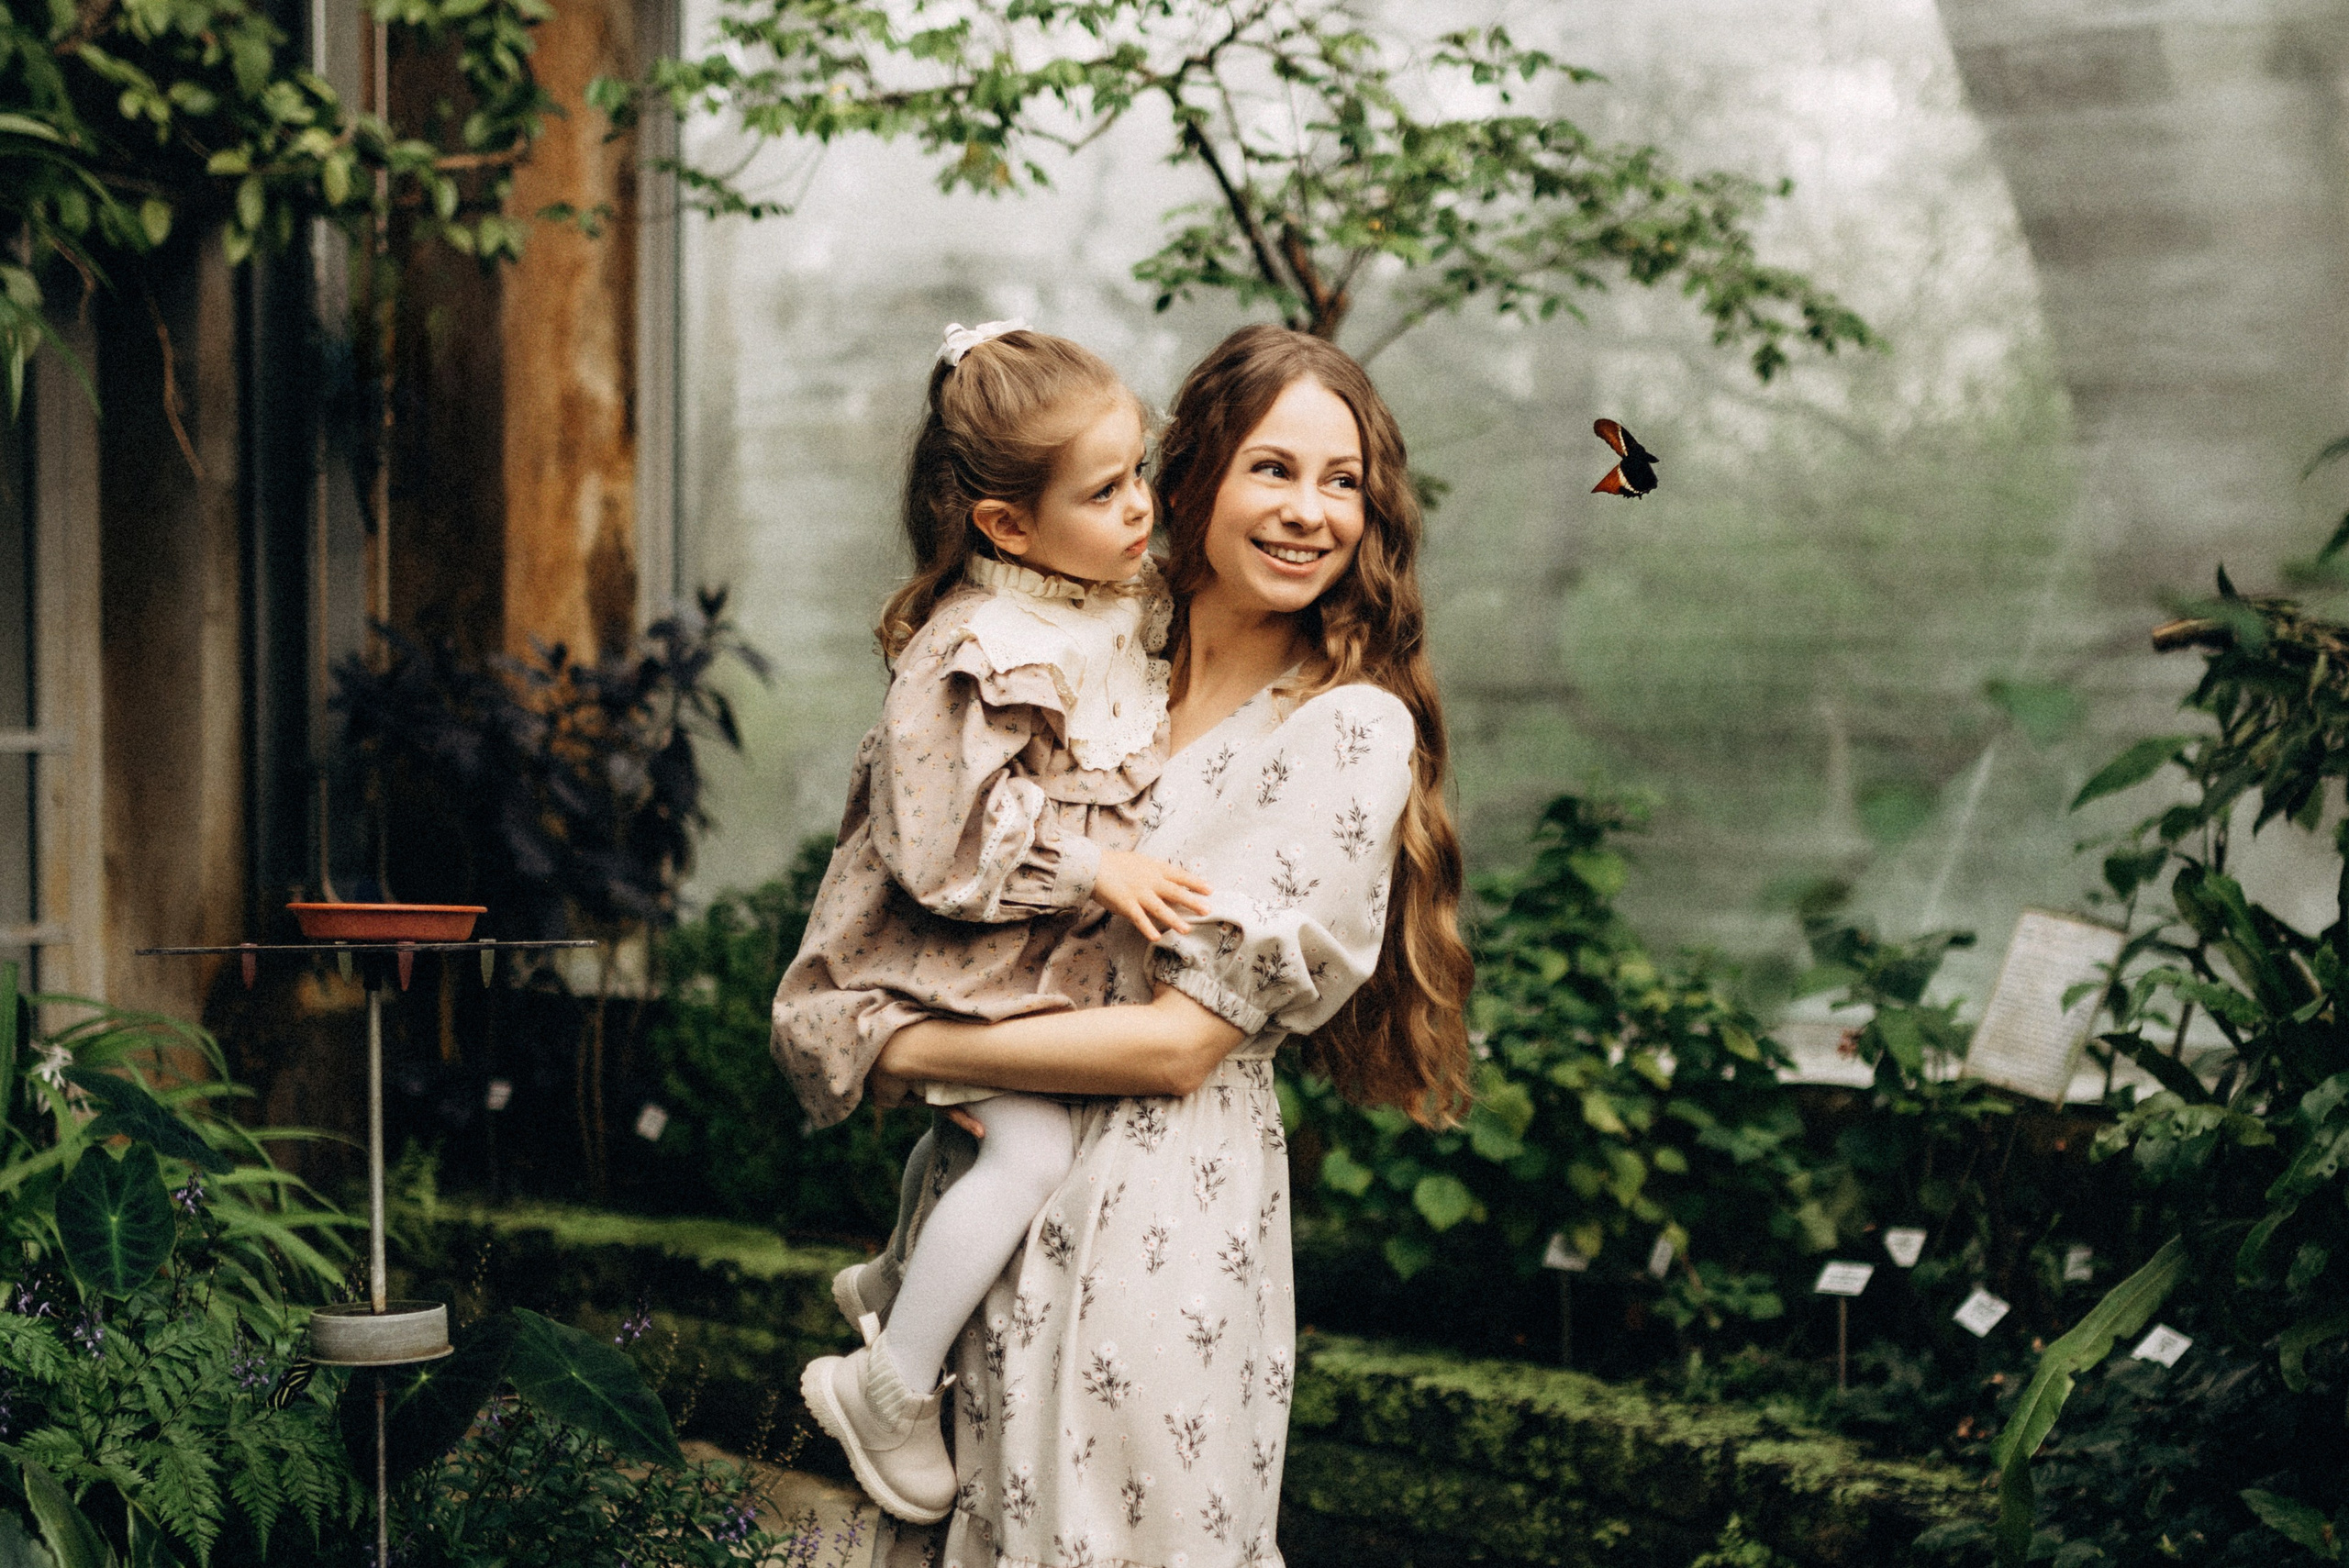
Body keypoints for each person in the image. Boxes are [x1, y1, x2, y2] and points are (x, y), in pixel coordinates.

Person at [827, 323, 1476, 1567]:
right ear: (1196, 476)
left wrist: (905, 1039)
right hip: (992, 1198)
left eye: (1343, 482)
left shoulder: (1349, 731)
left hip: (1166, 1214)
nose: (1310, 512)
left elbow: (1184, 1046)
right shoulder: (1095, 647)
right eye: (1273, 469)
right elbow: (930, 840)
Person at [774, 319, 1216, 1524]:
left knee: (1001, 1136)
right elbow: (941, 846)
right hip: (943, 959)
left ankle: (905, 1265)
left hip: (1026, 964)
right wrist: (1097, 865)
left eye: (1140, 472)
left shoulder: (1102, 603)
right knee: (1030, 1148)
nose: (1141, 506)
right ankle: (891, 1381)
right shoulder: (977, 647)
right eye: (1107, 488)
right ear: (1006, 525)